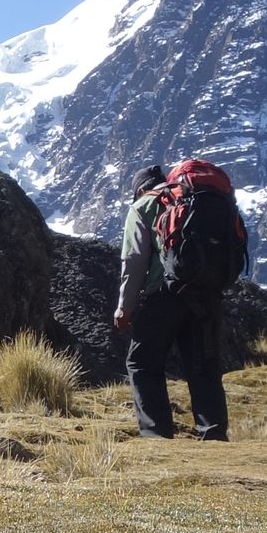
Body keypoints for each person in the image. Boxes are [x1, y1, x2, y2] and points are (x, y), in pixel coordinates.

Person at [113, 161, 231, 443]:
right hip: (206, 294)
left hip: (164, 294)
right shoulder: (193, 200)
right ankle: (213, 434)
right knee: (203, 365)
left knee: (142, 362)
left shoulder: (143, 206)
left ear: (139, 189)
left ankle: (156, 435)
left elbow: (134, 261)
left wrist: (124, 308)